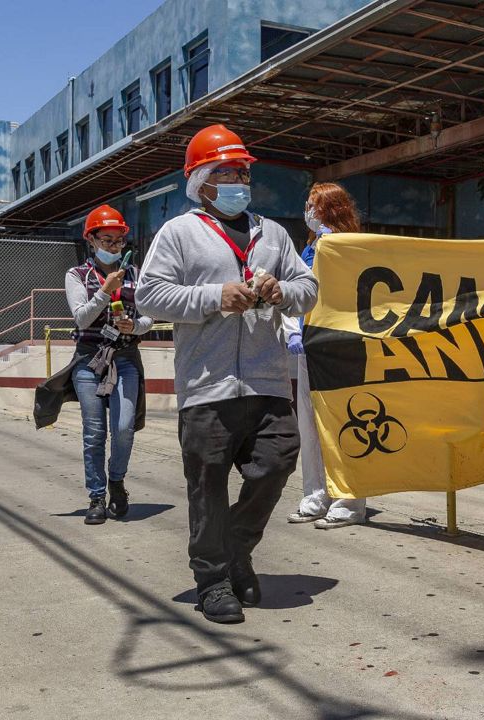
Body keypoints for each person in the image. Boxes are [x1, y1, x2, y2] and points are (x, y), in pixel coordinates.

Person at [135, 124, 317, 624]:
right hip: (206, 384)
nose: (239, 179)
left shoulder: (273, 234)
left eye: (242, 171)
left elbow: (309, 288)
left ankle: (236, 549)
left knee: (279, 460)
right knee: (207, 486)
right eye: (228, 171)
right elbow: (149, 296)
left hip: (267, 379)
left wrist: (282, 291)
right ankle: (212, 580)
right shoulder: (178, 233)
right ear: (202, 180)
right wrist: (214, 297)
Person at [285, 183, 368, 529]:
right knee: (310, 426)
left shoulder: (351, 247)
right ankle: (316, 494)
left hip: (341, 347)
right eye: (307, 204)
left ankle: (350, 501)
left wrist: (332, 245)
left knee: (345, 424)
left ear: (331, 209)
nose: (308, 210)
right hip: (309, 347)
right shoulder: (309, 249)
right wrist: (292, 329)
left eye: (314, 205)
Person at [65, 204, 153, 525]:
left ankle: (117, 481)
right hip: (90, 360)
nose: (114, 247)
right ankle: (96, 496)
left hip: (125, 357)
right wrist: (104, 291)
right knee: (94, 432)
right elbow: (81, 316)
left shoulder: (135, 273)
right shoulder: (77, 275)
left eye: (118, 242)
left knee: (123, 426)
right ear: (91, 240)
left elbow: (147, 317)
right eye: (107, 240)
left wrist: (135, 326)